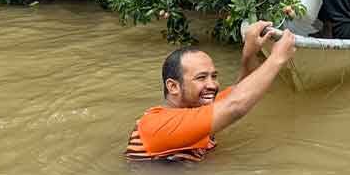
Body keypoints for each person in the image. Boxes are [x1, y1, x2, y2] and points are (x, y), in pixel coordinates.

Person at [125, 22, 296, 162]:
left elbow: (244, 89)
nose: (212, 85)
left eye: (213, 76)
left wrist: (250, 52)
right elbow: (235, 106)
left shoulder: (199, 108)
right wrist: (277, 58)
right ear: (173, 87)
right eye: (201, 78)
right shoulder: (156, 124)